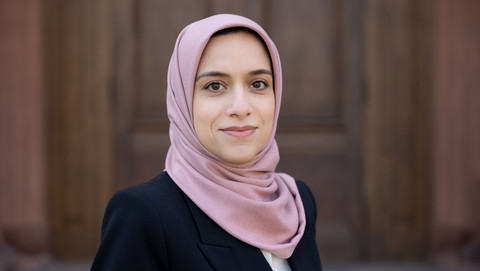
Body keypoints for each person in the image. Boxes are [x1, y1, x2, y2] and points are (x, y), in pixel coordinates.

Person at [91, 14, 322, 271]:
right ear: (182, 101)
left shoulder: (295, 202)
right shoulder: (144, 215)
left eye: (258, 83)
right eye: (214, 86)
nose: (240, 107)